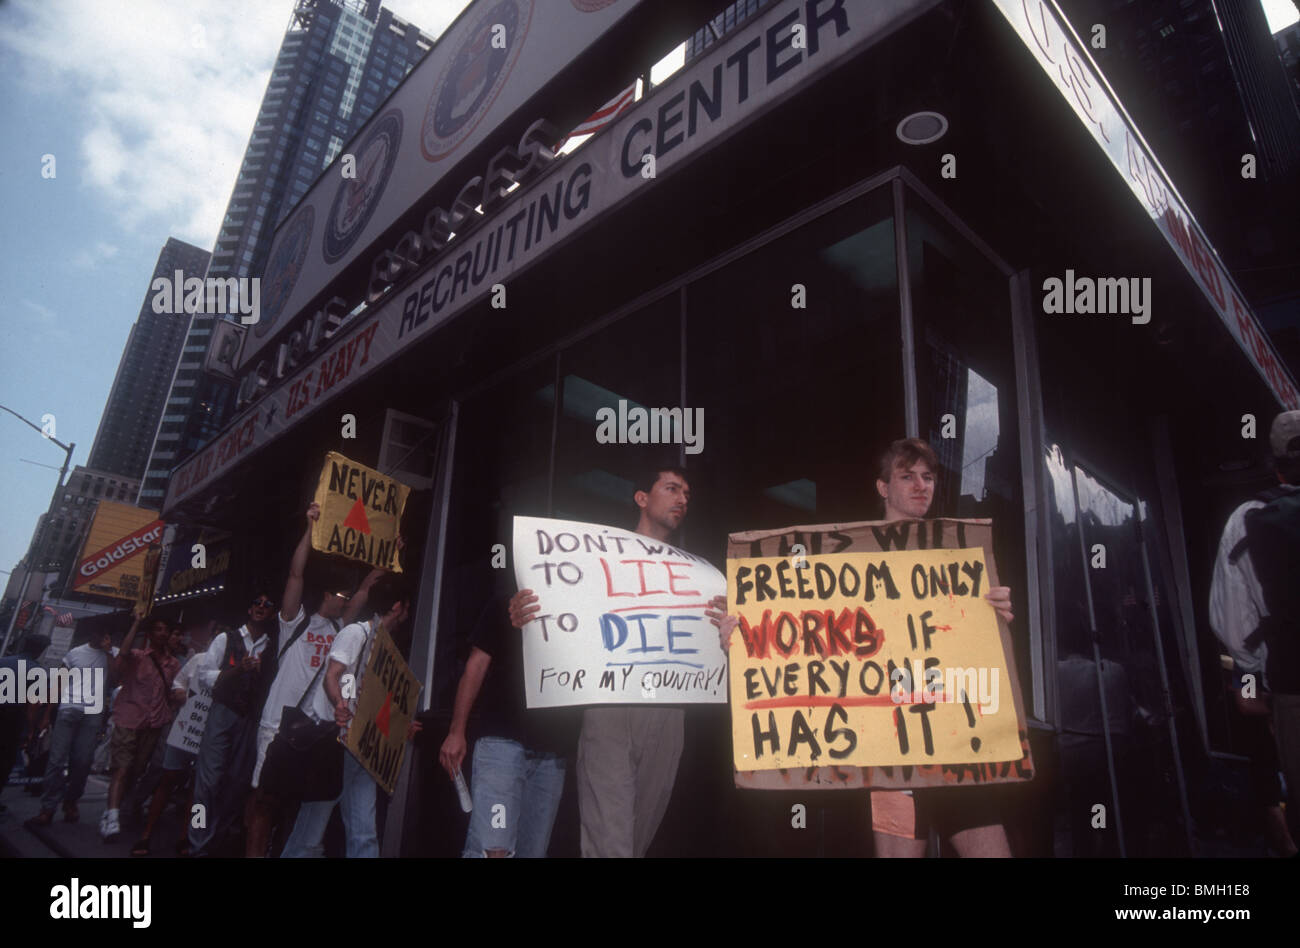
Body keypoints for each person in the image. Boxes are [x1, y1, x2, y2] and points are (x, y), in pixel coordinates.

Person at [715, 437, 1015, 857]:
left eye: (928, 477)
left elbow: (973, 643)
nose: (920, 486)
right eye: (906, 476)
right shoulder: (846, 561)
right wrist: (746, 636)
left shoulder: (955, 556)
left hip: (958, 746)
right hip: (891, 758)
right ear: (882, 487)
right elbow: (801, 633)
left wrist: (994, 614)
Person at [510, 466, 710, 858]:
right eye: (671, 489)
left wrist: (723, 628)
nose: (682, 499)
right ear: (642, 498)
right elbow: (554, 605)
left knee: (637, 838)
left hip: (669, 709)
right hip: (610, 705)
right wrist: (523, 611)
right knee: (610, 840)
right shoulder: (597, 555)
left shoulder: (695, 573)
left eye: (687, 493)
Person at [244, 502, 385, 857]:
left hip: (313, 730)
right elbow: (295, 576)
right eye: (341, 595)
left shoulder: (343, 629)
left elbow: (365, 591)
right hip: (277, 723)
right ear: (325, 595)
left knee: (299, 802)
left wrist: (384, 561)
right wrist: (309, 527)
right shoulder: (296, 621)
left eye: (347, 597)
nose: (346, 601)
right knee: (264, 800)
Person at [281, 574, 420, 857]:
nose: (407, 613)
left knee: (365, 835)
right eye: (406, 606)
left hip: (361, 751)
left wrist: (399, 727)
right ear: (397, 607)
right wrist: (339, 703)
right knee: (310, 834)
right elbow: (333, 675)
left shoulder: (386, 649)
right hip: (334, 746)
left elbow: (379, 704)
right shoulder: (356, 634)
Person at [1210, 409, 1300, 846]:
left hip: (1282, 685)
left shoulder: (1247, 519)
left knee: (1266, 763)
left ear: (1276, 462)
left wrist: (1252, 686)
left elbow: (1232, 624)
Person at [439, 586, 579, 857]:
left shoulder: (583, 607)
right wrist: (456, 731)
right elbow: (476, 664)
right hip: (502, 742)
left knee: (532, 851)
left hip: (553, 754)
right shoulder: (508, 599)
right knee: (494, 848)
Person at [183, 595, 278, 857]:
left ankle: (214, 840)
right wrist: (238, 670)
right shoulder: (226, 639)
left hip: (249, 719)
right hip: (223, 712)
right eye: (257, 603)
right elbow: (205, 677)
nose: (261, 606)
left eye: (267, 605)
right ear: (249, 609)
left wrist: (260, 673)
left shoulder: (270, 646)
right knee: (208, 782)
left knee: (236, 784)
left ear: (272, 614)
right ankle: (197, 844)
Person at [132, 633, 220, 856]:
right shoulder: (199, 659)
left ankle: (188, 836)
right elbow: (179, 682)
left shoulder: (235, 667)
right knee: (167, 780)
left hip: (210, 736)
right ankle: (146, 834)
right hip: (185, 729)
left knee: (199, 790)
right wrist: (179, 692)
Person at [101, 609, 182, 843]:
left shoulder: (173, 664)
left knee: (135, 771)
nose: (162, 633)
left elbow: (174, 691)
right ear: (149, 634)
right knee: (122, 769)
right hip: (129, 719)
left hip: (153, 724)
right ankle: (113, 816)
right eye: (157, 629)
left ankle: (114, 810)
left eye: (165, 630)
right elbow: (123, 654)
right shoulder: (137, 656)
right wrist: (136, 623)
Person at [25, 628, 113, 827]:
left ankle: (71, 801)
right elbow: (60, 683)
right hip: (67, 708)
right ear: (92, 634)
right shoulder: (74, 653)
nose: (101, 637)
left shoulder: (111, 654)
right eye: (98, 633)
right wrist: (47, 714)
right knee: (56, 760)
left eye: (104, 634)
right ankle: (48, 807)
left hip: (92, 712)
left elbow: (116, 678)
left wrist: (108, 652)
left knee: (82, 761)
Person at [1, 634, 52, 802]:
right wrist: (30, 731)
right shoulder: (37, 671)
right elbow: (32, 706)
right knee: (5, 759)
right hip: (12, 718)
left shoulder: (4, 662)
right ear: (41, 650)